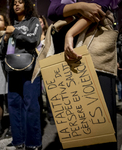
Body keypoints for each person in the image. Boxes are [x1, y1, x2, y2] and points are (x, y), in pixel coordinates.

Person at [48, 0, 117, 149]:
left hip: (97, 53)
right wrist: (81, 6)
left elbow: (100, 7)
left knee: (101, 124)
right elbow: (53, 10)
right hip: (68, 52)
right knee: (76, 124)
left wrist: (71, 32)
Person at [5, 0, 42, 149]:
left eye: (20, 2)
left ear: (27, 5)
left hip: (30, 66)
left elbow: (34, 40)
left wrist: (14, 32)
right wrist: (4, 38)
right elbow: (4, 47)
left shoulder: (34, 21)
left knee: (31, 104)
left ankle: (33, 143)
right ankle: (18, 139)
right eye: (14, 3)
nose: (17, 5)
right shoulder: (11, 23)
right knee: (13, 104)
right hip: (12, 67)